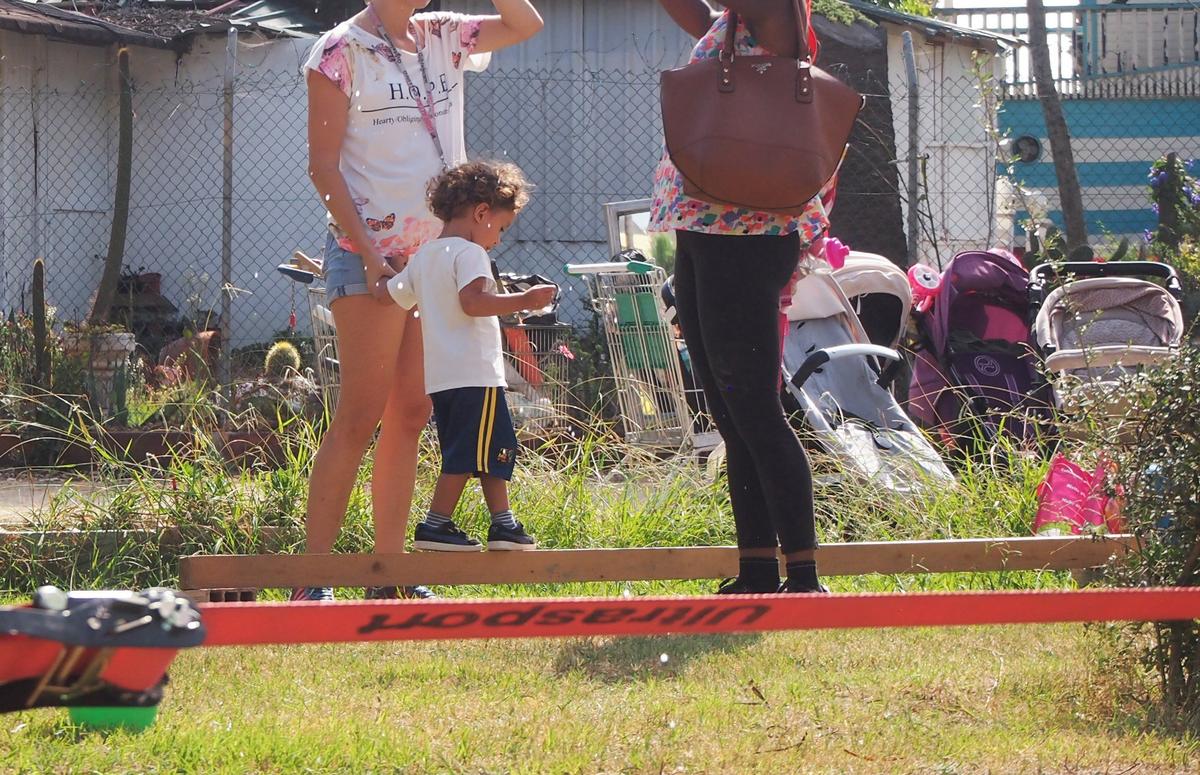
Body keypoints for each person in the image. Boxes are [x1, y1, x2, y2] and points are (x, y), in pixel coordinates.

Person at [296, 0, 544, 601]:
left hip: (438, 263)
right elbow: (323, 169)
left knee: (410, 415)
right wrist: (368, 251)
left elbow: (525, 24)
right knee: (359, 415)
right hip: (371, 258)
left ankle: (390, 575)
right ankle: (311, 578)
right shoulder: (336, 50)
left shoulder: (444, 34)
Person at [651, 0, 833, 594]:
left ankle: (803, 573)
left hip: (749, 233)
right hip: (701, 225)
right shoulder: (728, 25)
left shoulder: (777, 15)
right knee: (728, 411)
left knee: (755, 406)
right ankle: (755, 565)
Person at [386, 161, 556, 551]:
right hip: (474, 375)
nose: (496, 239)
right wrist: (525, 300)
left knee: (494, 448)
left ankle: (504, 524)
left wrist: (380, 268)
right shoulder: (471, 254)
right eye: (500, 227)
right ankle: (435, 524)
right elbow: (473, 302)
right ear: (482, 213)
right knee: (466, 454)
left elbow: (391, 294)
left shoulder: (425, 256)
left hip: (444, 379)